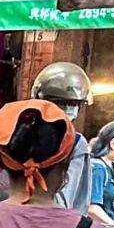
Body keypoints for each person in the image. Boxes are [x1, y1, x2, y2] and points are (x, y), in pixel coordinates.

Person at [30, 61, 96, 214]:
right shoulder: (76, 143)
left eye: (72, 103)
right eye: (63, 103)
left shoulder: (17, 131)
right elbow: (73, 199)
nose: (68, 109)